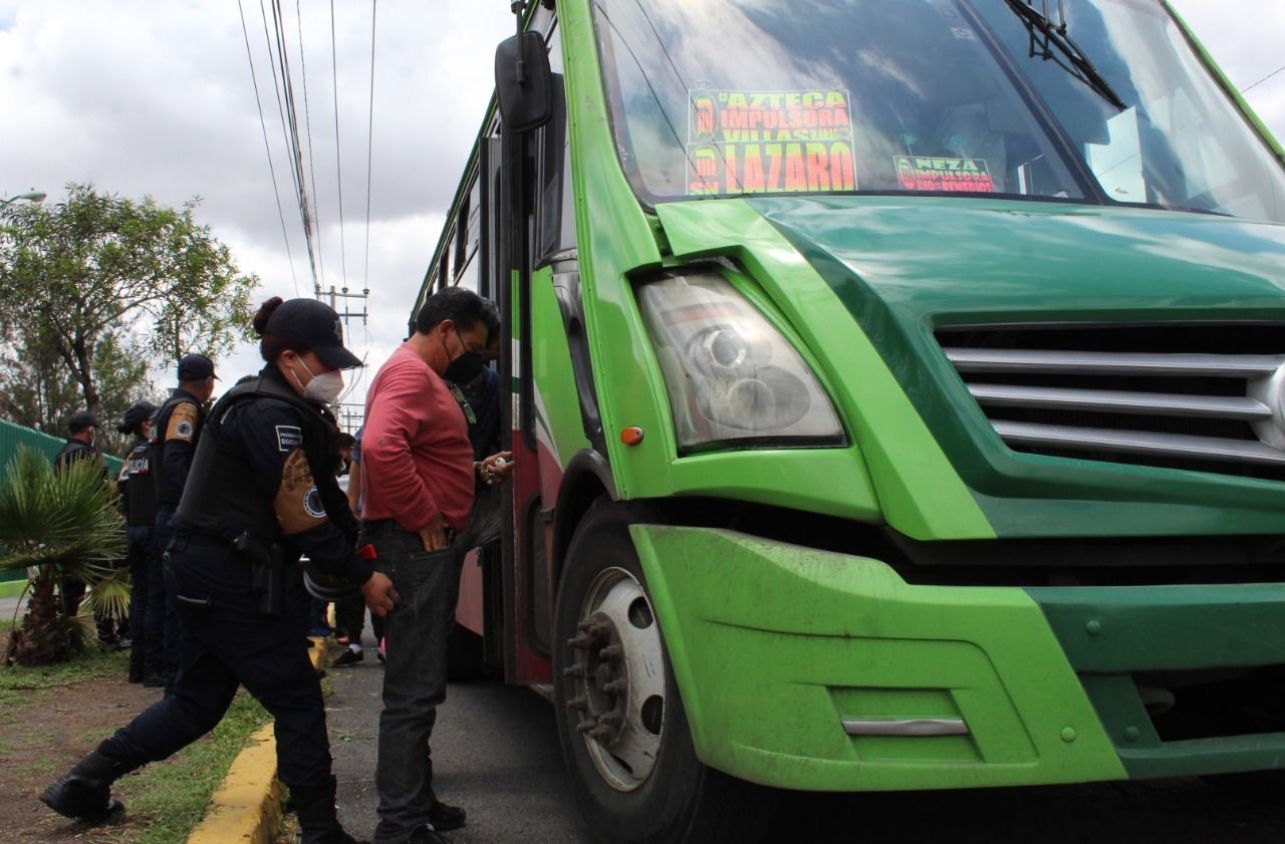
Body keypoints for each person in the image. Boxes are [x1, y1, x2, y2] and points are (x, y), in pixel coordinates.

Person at [41, 296, 398, 844]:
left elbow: (326, 499)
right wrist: (359, 575)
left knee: (195, 703)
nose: (333, 374)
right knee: (296, 698)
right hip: (224, 574)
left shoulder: (286, 409)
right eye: (325, 361)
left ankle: (84, 781)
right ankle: (323, 833)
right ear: (289, 357)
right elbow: (300, 510)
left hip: (209, 570)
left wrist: (358, 547)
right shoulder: (267, 413)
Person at [361, 287, 512, 844]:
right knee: (413, 691)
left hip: (415, 544)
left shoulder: (414, 375)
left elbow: (420, 452)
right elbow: (380, 448)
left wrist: (470, 473)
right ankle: (399, 824)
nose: (474, 356)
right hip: (413, 546)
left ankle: (416, 799)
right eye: (471, 343)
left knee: (421, 681)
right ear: (447, 328)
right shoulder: (411, 375)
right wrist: (424, 512)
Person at [149, 353, 218, 691]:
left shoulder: (165, 408)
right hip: (177, 514)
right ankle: (177, 677)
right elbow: (176, 462)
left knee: (165, 597)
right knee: (180, 601)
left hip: (163, 512)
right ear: (207, 381)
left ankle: (164, 668)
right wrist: (191, 507)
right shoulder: (185, 409)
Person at [116, 401, 159, 684]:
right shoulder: (156, 451)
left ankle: (137, 668)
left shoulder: (131, 456)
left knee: (140, 598)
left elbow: (121, 487)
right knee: (156, 600)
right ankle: (154, 669)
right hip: (153, 530)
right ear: (145, 424)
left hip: (133, 530)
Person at [53, 410, 107, 616]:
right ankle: (107, 632)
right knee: (102, 577)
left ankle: (69, 628)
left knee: (71, 582)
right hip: (89, 524)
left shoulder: (61, 454)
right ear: (89, 430)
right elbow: (99, 487)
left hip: (66, 526)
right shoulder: (87, 454)